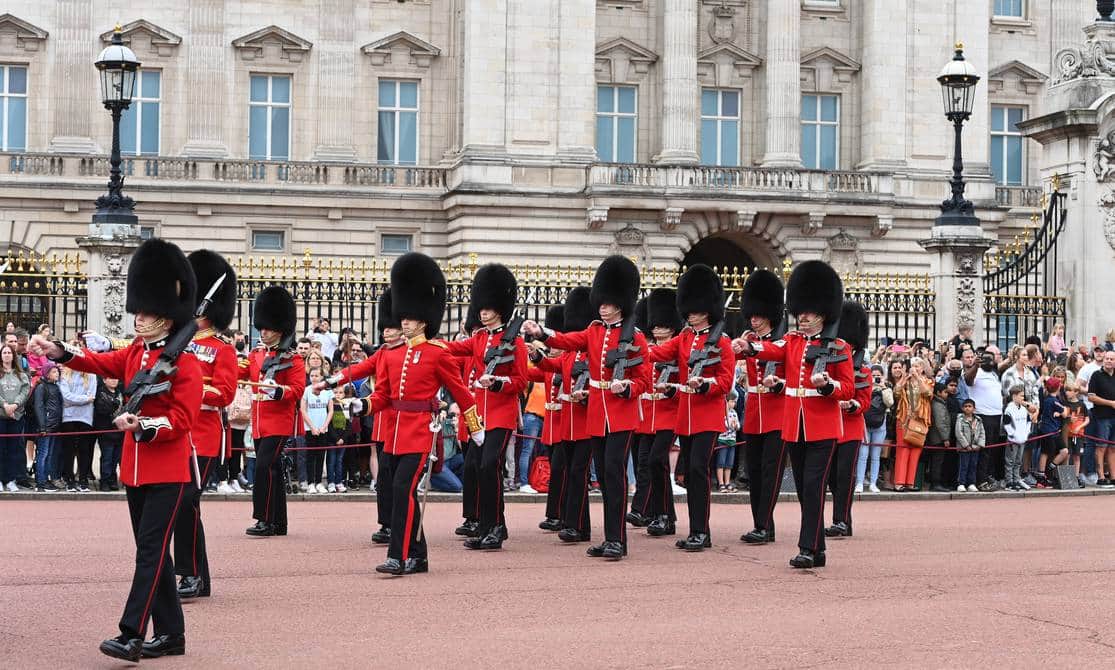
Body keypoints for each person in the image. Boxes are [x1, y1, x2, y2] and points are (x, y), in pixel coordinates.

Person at [30, 238, 202, 661]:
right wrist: (62, 353)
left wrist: (141, 425)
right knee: (155, 554)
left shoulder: (188, 363)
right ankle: (173, 635)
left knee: (149, 553)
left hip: (168, 473)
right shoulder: (136, 353)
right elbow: (100, 363)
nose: (138, 318)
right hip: (136, 471)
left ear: (166, 316)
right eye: (138, 310)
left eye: (145, 312)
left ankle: (131, 634)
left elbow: (183, 421)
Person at [362, 252, 484, 575]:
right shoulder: (392, 355)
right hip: (395, 435)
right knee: (402, 491)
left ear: (424, 320)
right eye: (404, 316)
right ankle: (419, 555)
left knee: (403, 489)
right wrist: (363, 405)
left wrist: (474, 425)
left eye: (411, 317)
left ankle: (398, 557)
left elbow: (461, 392)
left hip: (420, 434)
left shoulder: (437, 354)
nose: (404, 321)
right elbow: (384, 395)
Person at [524, 256, 651, 560]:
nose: (603, 307)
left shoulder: (635, 337)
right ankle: (609, 537)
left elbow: (644, 379)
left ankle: (618, 540)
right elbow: (568, 341)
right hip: (597, 414)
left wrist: (628, 388)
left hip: (620, 414)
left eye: (609, 302)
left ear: (621, 303)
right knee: (605, 479)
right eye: (602, 302)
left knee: (613, 471)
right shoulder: (594, 332)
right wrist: (542, 333)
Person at [734, 260, 854, 569]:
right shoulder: (792, 342)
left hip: (823, 427)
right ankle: (819, 549)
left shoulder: (838, 346)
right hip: (795, 427)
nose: (802, 317)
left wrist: (828, 386)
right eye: (800, 312)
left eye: (808, 313)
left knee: (814, 487)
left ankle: (807, 548)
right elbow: (771, 351)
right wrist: (748, 347)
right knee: (804, 489)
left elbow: (848, 388)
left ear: (822, 314)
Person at [436, 263, 527, 551]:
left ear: (500, 308)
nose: (483, 312)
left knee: (490, 466)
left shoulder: (516, 343)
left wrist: (498, 382)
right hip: (478, 417)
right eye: (482, 308)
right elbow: (452, 349)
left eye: (488, 308)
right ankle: (485, 526)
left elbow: (521, 381)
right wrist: (427, 343)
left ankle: (497, 526)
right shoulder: (478, 339)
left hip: (501, 416)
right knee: (476, 467)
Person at [648, 264, 736, 552]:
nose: (691, 314)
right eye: (689, 310)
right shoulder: (685, 337)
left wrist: (705, 384)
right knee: (688, 474)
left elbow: (725, 381)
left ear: (707, 310)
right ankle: (694, 529)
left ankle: (702, 531)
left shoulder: (721, 342)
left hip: (708, 415)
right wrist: (635, 346)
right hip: (685, 416)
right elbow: (660, 352)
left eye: (696, 310)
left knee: (699, 469)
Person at [173, 248, 239, 600]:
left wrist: (192, 388)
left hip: (204, 436)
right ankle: (196, 576)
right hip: (176, 435)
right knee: (182, 506)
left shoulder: (222, 349)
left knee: (187, 504)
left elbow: (225, 393)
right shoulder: (176, 345)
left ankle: (191, 573)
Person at [320, 293, 402, 542]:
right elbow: (360, 368)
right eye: (385, 328)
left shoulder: (409, 352)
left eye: (392, 328)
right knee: (386, 476)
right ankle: (387, 523)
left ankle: (399, 524)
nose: (387, 332)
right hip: (382, 422)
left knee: (400, 479)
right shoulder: (383, 353)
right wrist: (331, 380)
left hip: (403, 423)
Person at [530, 287, 595, 544]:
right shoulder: (570, 355)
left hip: (585, 422)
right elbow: (550, 366)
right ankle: (575, 524)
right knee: (570, 472)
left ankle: (578, 525)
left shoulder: (591, 353)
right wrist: (536, 355)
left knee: (578, 472)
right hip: (567, 423)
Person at [242, 286, 306, 537]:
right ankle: (279, 522)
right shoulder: (256, 354)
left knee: (263, 468)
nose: (263, 331)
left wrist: (278, 391)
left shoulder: (293, 358)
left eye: (268, 327)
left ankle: (264, 518)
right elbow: (241, 372)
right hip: (259, 421)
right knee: (274, 469)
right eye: (262, 327)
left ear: (280, 330)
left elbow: (298, 389)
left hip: (278, 421)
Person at [737, 269, 788, 545]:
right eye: (751, 314)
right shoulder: (749, 340)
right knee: (754, 472)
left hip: (777, 415)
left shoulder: (783, 341)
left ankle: (764, 524)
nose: (754, 319)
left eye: (758, 315)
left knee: (771, 472)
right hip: (754, 414)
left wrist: (752, 347)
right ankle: (761, 523)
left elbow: (777, 354)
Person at [627, 289, 681, 536]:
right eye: (655, 325)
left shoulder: (678, 351)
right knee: (646, 464)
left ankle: (662, 513)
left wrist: (672, 392)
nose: (658, 329)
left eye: (663, 325)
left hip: (670, 413)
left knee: (658, 460)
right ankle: (658, 513)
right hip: (647, 414)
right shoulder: (647, 349)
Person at [826, 300, 870, 538]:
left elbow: (864, 401)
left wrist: (851, 404)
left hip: (851, 429)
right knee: (833, 477)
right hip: (831, 426)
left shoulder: (863, 370)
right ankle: (844, 521)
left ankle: (841, 521)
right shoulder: (831, 366)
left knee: (845, 476)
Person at [528, 305, 569, 531]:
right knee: (555, 469)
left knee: (562, 469)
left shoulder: (567, 363)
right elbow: (527, 373)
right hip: (551, 423)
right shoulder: (548, 366)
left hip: (565, 422)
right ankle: (554, 513)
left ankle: (561, 513)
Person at [964, 346, 1005, 490]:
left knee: (992, 450)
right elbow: (968, 380)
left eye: (991, 359)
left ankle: (988, 476)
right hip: (983, 416)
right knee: (984, 450)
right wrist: (976, 364)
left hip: (995, 416)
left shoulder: (994, 374)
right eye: (985, 359)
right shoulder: (976, 372)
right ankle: (980, 480)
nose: (989, 361)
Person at [893, 357, 933, 492]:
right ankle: (899, 482)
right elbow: (896, 393)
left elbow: (927, 393)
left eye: (918, 366)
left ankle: (910, 482)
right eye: (913, 366)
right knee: (903, 450)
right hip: (904, 419)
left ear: (922, 369)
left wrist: (918, 378)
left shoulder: (928, 381)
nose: (915, 368)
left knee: (916, 451)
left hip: (920, 421)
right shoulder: (905, 381)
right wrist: (904, 378)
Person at [59, 364, 97, 492]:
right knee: (68, 450)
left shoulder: (91, 375)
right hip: (68, 417)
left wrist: (77, 400)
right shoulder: (64, 375)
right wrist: (85, 399)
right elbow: (66, 397)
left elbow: (92, 397)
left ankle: (83, 480)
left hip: (85, 417)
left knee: (84, 449)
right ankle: (69, 480)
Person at [857, 364, 892, 493]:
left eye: (879, 375)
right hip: (864, 424)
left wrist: (882, 387)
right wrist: (870, 386)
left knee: (876, 456)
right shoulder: (865, 386)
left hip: (880, 425)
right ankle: (859, 482)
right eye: (874, 375)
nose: (876, 378)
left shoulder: (887, 388)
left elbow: (890, 403)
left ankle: (873, 483)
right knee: (862, 454)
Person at [0, 343, 31, 491]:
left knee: (14, 449)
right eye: (4, 352)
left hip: (16, 417)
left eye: (9, 352)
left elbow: (25, 391)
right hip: (1, 415)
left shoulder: (21, 375)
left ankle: (10, 479)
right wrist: (5, 405)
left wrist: (15, 405)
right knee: (1, 449)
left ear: (13, 355)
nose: (6, 355)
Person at [31, 363, 63, 491]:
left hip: (54, 426)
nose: (57, 374)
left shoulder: (55, 387)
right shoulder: (41, 387)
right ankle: (41, 481)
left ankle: (46, 478)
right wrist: (42, 427)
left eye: (57, 372)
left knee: (50, 454)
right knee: (43, 454)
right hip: (45, 427)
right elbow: (38, 407)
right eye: (54, 372)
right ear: (47, 373)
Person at [1086, 350, 1115, 486]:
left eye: (1111, 359)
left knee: (1113, 447)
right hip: (1102, 417)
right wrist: (1110, 403)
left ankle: (1113, 476)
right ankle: (1101, 476)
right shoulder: (1096, 375)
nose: (1109, 361)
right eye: (1107, 358)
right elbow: (1091, 396)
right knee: (1101, 446)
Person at [1002, 384, 1037, 491]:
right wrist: (1013, 435)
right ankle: (1009, 482)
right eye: (1021, 396)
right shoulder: (1009, 409)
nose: (1023, 398)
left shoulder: (1023, 409)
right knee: (1010, 461)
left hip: (1022, 439)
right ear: (1014, 396)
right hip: (1013, 440)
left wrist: (1025, 434)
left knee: (1018, 461)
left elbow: (1028, 422)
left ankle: (1016, 480)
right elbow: (1007, 425)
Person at [93, 377, 124, 491]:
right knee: (107, 458)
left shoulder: (120, 394)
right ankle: (104, 480)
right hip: (106, 430)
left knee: (116, 458)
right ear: (105, 380)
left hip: (119, 431)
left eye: (115, 379)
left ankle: (112, 479)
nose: (114, 381)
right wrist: (113, 405)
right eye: (110, 379)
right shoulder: (100, 393)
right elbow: (101, 410)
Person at [924, 382, 954, 492]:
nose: (947, 394)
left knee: (937, 461)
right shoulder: (938, 405)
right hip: (938, 438)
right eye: (945, 392)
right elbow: (940, 423)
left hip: (936, 438)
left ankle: (936, 482)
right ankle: (935, 483)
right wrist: (945, 438)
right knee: (937, 462)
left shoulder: (938, 403)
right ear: (938, 393)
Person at [954, 399, 984, 491]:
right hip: (964, 449)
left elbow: (982, 433)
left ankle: (971, 483)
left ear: (974, 408)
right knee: (964, 466)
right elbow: (958, 433)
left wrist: (980, 444)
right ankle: (961, 483)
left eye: (970, 406)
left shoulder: (978, 420)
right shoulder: (960, 419)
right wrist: (966, 445)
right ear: (962, 408)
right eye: (965, 406)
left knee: (973, 466)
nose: (967, 408)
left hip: (975, 448)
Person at [717, 394, 741, 491]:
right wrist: (730, 425)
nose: (733, 403)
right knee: (721, 462)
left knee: (729, 463)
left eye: (735, 402)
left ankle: (727, 482)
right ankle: (720, 483)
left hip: (732, 440)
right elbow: (723, 423)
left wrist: (736, 426)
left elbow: (738, 424)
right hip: (722, 440)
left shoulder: (734, 412)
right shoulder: (721, 411)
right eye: (732, 401)